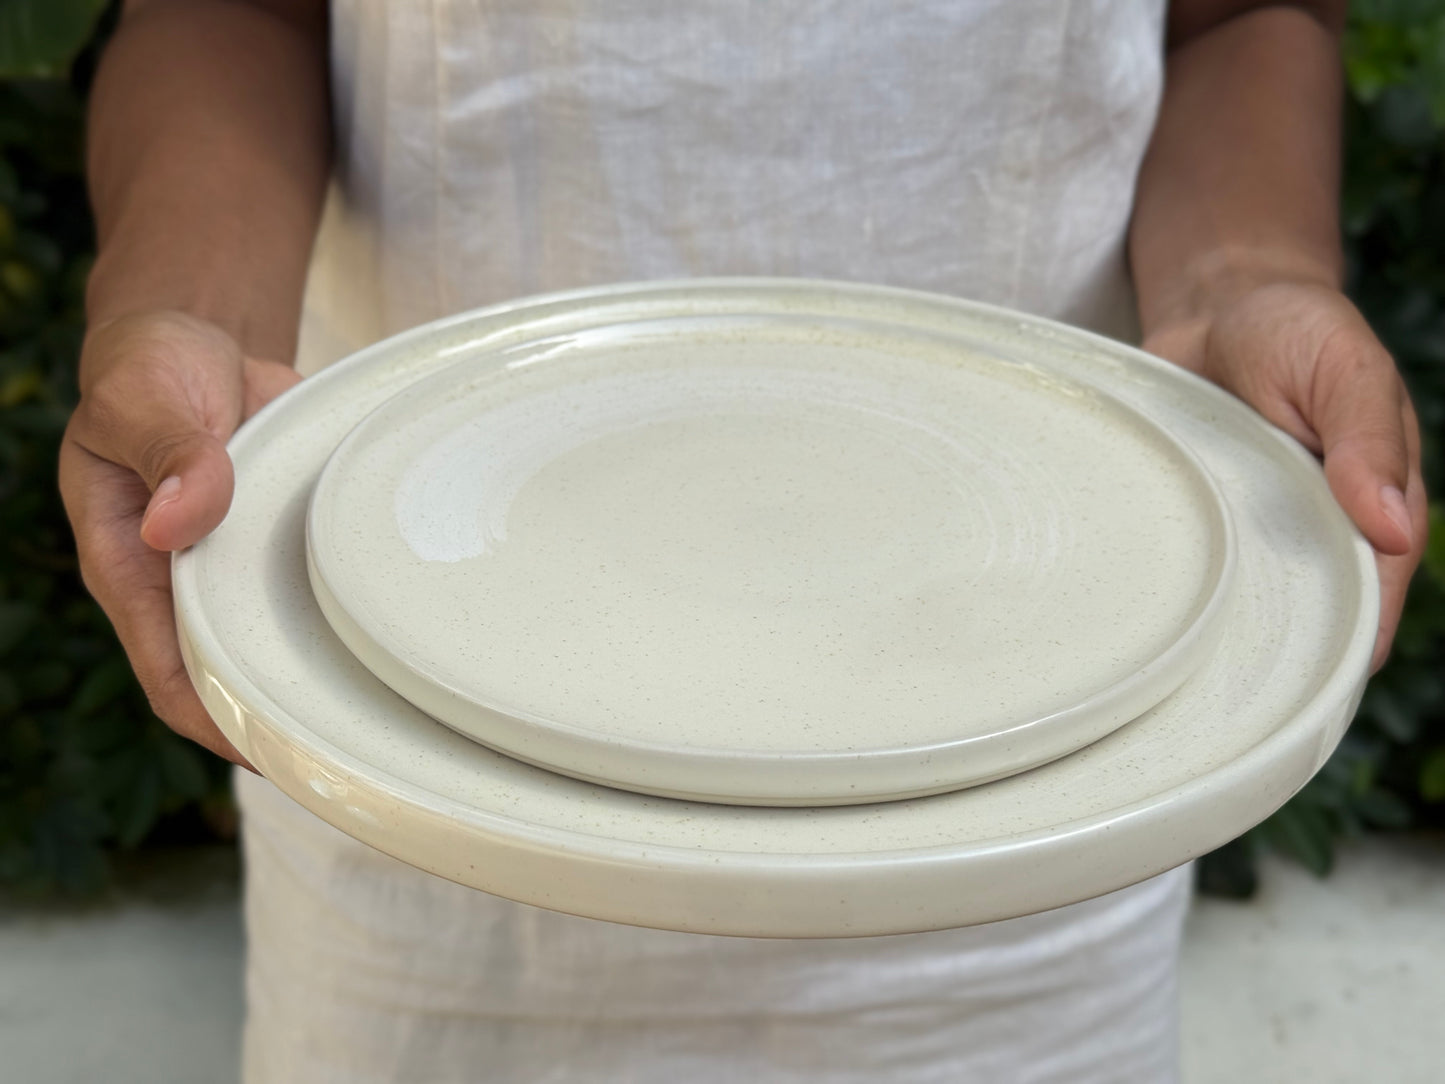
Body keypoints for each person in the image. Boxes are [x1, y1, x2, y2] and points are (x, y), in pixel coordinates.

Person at [61, 1, 1426, 1080]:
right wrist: (191, 318)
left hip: (1041, 827)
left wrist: (1242, 277)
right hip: (420, 811)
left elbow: (1241, 12)